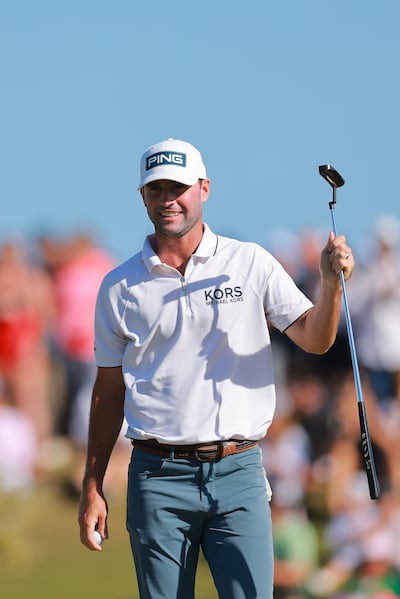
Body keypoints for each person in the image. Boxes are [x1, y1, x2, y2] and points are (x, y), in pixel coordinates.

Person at [78, 138, 354, 599]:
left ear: (204, 188)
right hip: (156, 475)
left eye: (179, 188)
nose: (168, 200)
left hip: (238, 471)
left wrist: (331, 286)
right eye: (156, 189)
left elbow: (315, 338)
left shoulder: (249, 262)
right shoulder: (119, 286)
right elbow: (108, 391)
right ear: (142, 197)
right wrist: (93, 486)